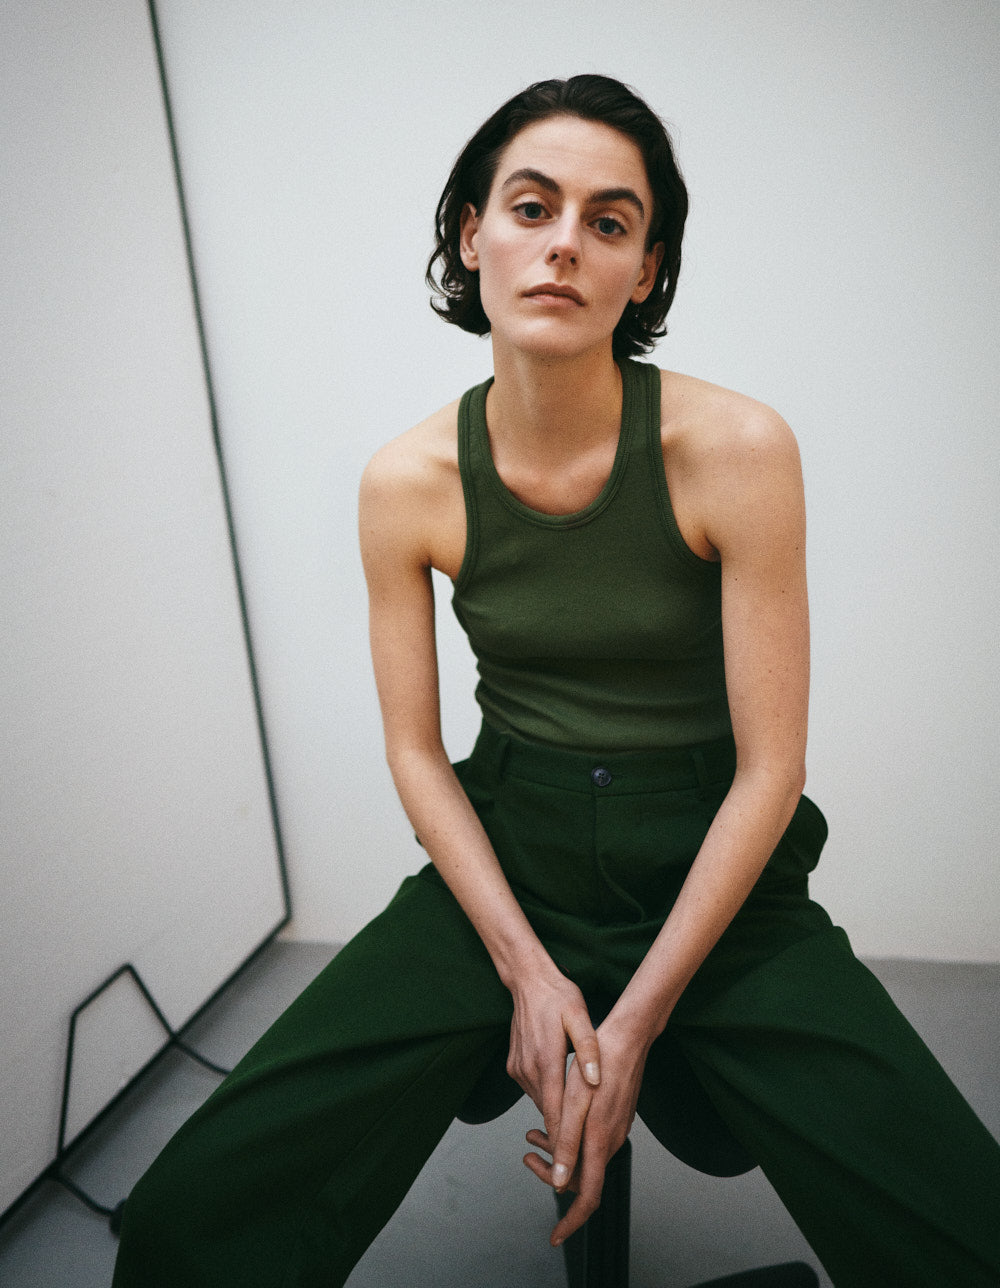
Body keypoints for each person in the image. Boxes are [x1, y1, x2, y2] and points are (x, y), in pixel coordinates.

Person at [112, 75, 1000, 1287]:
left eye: (609, 221)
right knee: (184, 1224)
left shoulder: (736, 451)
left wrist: (631, 1024)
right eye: (532, 207)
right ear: (472, 233)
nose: (565, 243)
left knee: (967, 1238)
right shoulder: (407, 482)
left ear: (645, 270)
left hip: (714, 870)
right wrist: (528, 971)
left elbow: (772, 768)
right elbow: (415, 751)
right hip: (509, 854)